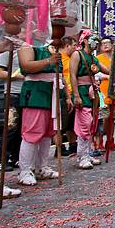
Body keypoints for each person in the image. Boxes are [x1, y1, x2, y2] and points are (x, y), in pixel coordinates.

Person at [17, 41, 72, 185]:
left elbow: (61, 76)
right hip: (36, 93)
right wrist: (49, 60)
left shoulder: (53, 46)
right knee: (32, 133)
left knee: (48, 133)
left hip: (52, 93)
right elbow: (25, 65)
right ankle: (25, 170)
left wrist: (67, 96)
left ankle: (41, 166)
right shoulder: (28, 43)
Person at [70, 30, 110, 169]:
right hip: (82, 91)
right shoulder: (77, 54)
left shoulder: (94, 58)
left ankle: (87, 154)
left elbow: (107, 70)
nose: (96, 42)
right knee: (84, 124)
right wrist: (76, 95)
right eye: (93, 39)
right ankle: (82, 156)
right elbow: (73, 75)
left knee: (92, 124)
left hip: (93, 92)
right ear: (85, 40)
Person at [0, 50, 24, 171]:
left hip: (25, 93)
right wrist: (15, 75)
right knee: (10, 127)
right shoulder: (7, 51)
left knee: (22, 129)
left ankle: (16, 157)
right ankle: (1, 160)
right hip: (12, 94)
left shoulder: (27, 50)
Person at [95, 38, 115, 151]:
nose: (105, 45)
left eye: (107, 43)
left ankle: (110, 141)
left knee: (112, 117)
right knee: (103, 116)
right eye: (103, 44)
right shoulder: (98, 58)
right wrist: (108, 76)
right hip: (103, 90)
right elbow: (97, 73)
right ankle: (99, 142)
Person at [59, 37, 78, 155]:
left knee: (71, 123)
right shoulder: (59, 58)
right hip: (63, 93)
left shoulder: (73, 58)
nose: (75, 48)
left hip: (72, 92)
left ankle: (73, 145)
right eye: (74, 45)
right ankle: (59, 147)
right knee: (62, 124)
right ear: (67, 46)